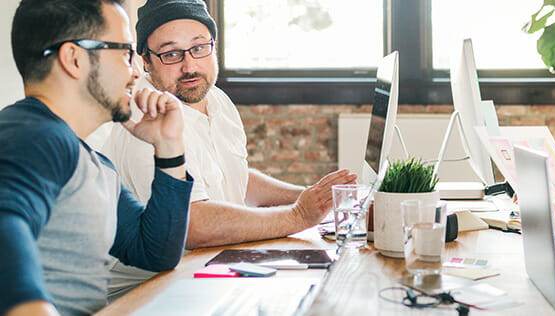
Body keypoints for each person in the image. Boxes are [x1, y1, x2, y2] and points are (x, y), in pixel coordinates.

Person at [100, 0, 357, 298]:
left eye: (199, 48)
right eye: (171, 54)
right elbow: (194, 225)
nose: (190, 66)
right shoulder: (146, 115)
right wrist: (298, 215)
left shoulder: (218, 100)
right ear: (146, 61)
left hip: (208, 268)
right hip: (146, 292)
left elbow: (233, 178)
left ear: (214, 46)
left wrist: (316, 199)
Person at [0, 0, 195, 315]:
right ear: (74, 59)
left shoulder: (92, 163)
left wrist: (168, 146)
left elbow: (154, 252)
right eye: (125, 53)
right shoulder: (33, 134)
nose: (135, 72)